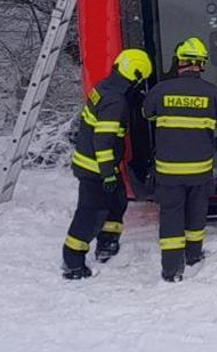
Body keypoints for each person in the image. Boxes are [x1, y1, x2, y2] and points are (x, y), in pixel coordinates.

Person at [142, 36, 217, 282]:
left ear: (179, 61)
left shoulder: (161, 90)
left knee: (171, 215)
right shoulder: (212, 93)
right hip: (200, 171)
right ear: (202, 64)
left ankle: (171, 270)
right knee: (196, 213)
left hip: (168, 172)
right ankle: (193, 255)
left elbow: (146, 113)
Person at [62, 48, 152, 280]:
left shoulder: (106, 88)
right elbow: (103, 140)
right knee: (90, 213)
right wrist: (107, 174)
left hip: (95, 164)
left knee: (117, 202)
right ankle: (73, 261)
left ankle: (107, 244)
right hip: (96, 168)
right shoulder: (115, 102)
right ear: (135, 75)